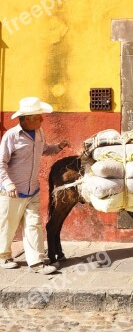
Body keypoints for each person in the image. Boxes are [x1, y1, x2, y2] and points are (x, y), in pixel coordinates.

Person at [0, 97, 69, 275]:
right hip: (12, 191)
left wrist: (57, 147)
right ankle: (3, 256)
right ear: (27, 118)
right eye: (39, 116)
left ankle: (37, 262)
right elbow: (1, 163)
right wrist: (7, 183)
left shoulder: (39, 133)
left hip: (32, 189)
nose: (42, 119)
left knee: (34, 224)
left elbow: (43, 149)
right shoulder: (11, 136)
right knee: (8, 224)